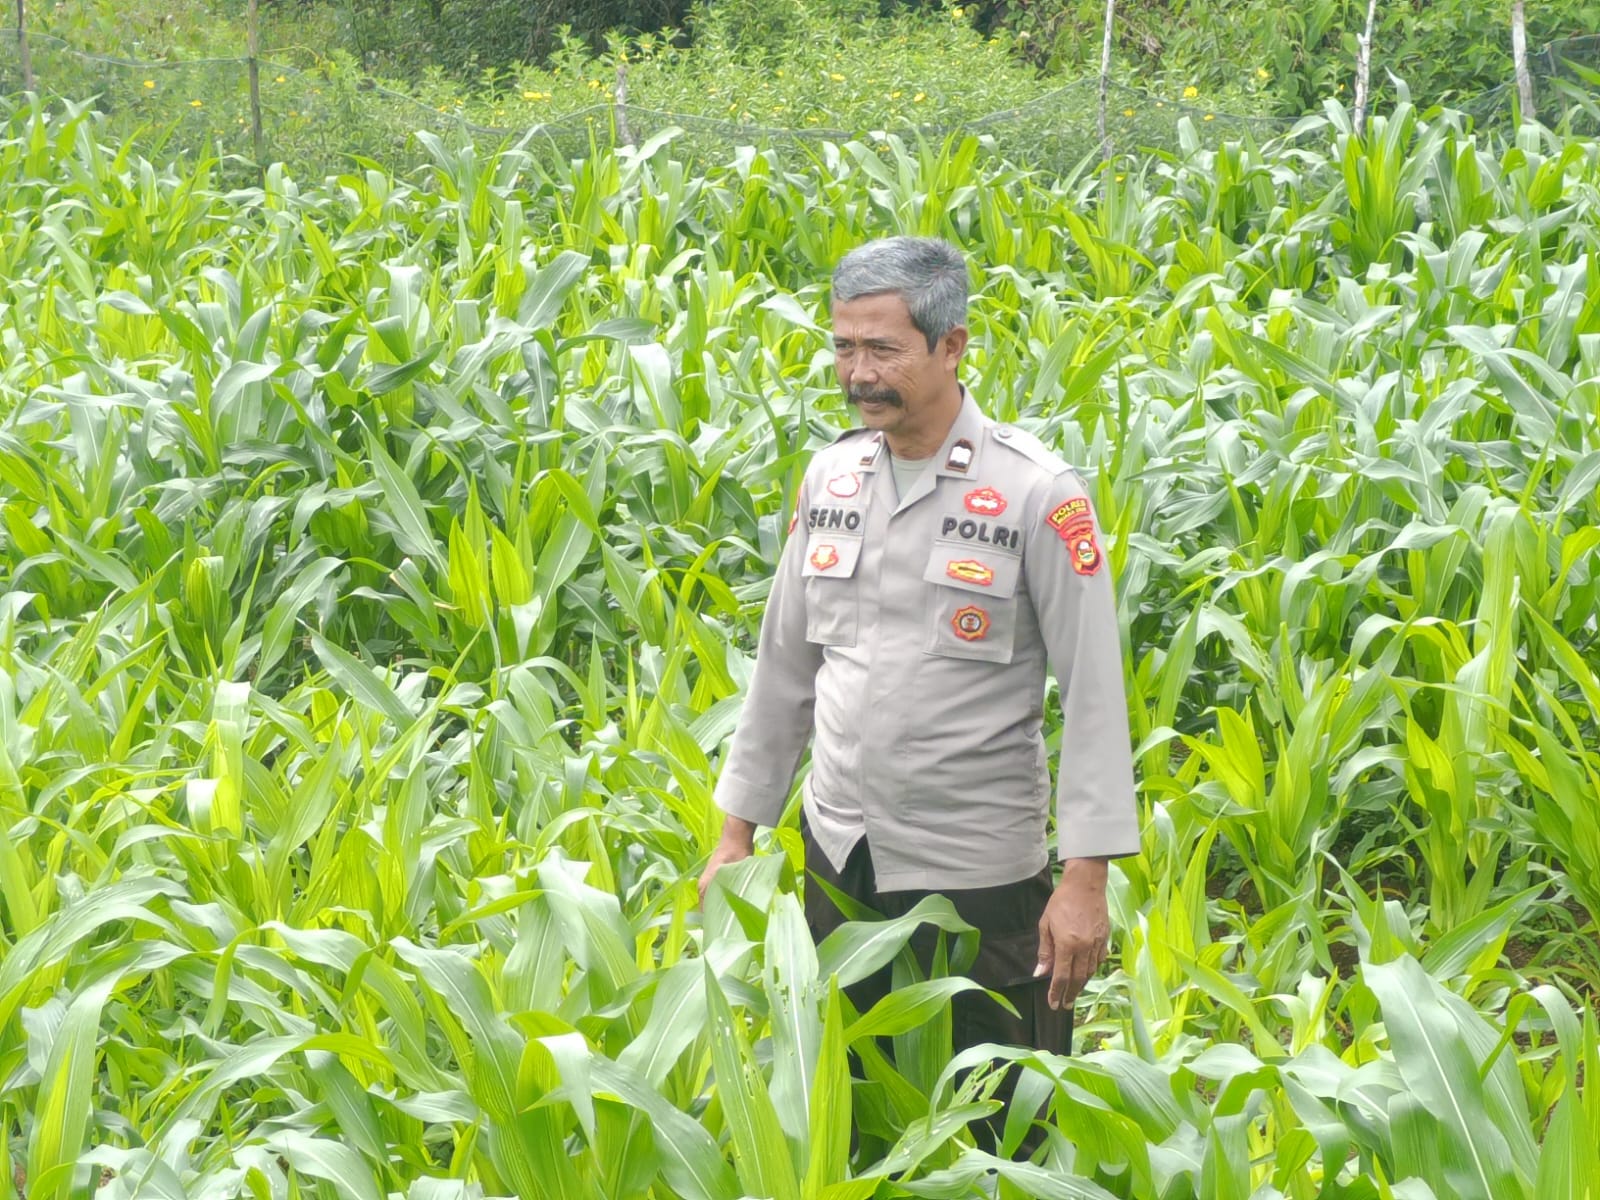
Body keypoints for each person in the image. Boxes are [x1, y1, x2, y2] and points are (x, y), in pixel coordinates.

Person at [698, 235, 1141, 1146]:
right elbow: (785, 669)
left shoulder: (1037, 494)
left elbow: (1095, 695)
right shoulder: (831, 477)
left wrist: (1086, 879)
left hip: (978, 873)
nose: (858, 375)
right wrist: (737, 831)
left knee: (993, 1129)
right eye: (843, 347)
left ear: (952, 347)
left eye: (883, 350)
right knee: (850, 1109)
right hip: (841, 856)